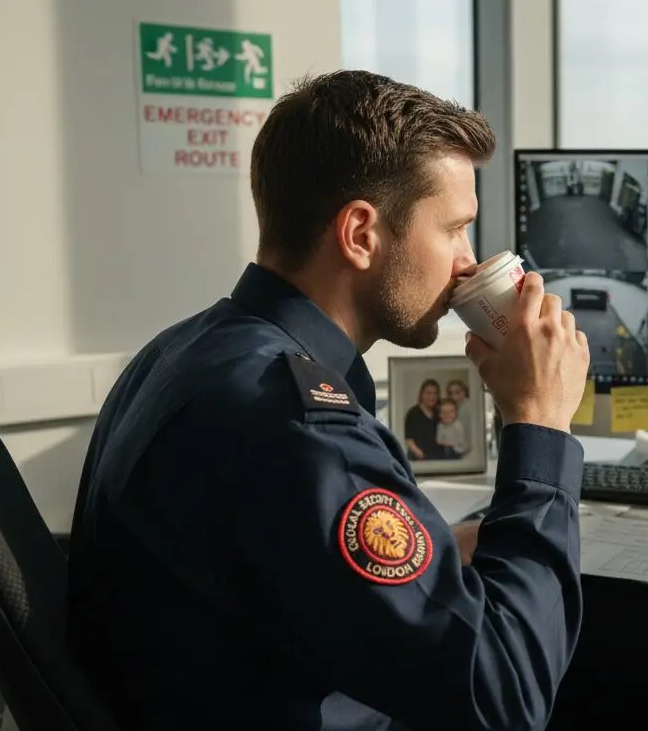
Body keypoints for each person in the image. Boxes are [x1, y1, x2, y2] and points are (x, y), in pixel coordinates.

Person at [65, 70, 592, 731]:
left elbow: (299, 556)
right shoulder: (298, 426)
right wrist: (539, 423)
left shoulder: (186, 351)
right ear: (361, 234)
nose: (468, 261)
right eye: (455, 229)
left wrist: (495, 531)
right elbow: (504, 701)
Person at [404, 377, 442, 459]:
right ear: (422, 394)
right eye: (428, 393)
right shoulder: (413, 413)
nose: (432, 396)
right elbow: (408, 439)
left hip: (436, 457)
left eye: (435, 393)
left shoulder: (439, 413)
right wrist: (420, 454)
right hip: (417, 456)